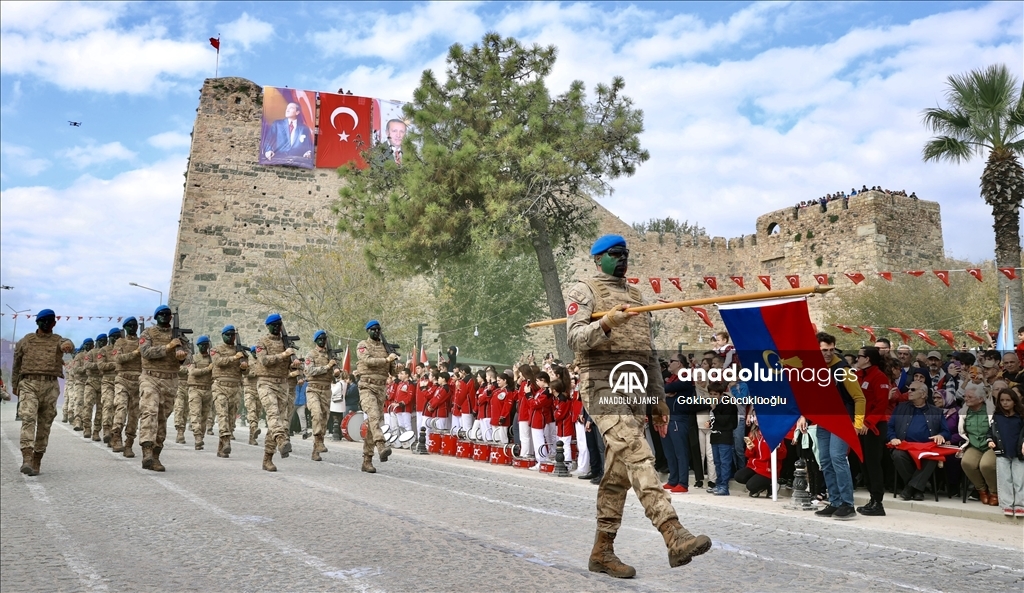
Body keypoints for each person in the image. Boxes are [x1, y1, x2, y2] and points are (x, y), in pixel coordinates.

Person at [567, 234, 711, 577]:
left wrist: (657, 400)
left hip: (634, 388)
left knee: (618, 476)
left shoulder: (636, 297)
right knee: (638, 453)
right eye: (615, 254)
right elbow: (573, 338)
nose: (622, 259)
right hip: (601, 384)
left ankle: (602, 552)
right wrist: (604, 324)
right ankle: (673, 532)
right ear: (598, 258)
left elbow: (647, 354)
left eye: (626, 254)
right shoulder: (583, 290)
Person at [809, 332, 866, 519]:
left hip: (843, 421)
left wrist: (857, 424)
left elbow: (859, 398)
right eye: (824, 350)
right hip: (824, 421)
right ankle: (834, 501)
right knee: (825, 460)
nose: (828, 353)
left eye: (831, 350)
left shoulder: (843, 369)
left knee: (837, 458)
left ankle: (847, 503)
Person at [12, 309, 74, 475]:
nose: (46, 324)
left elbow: (67, 343)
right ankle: (26, 456)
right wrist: (14, 384)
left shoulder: (58, 340)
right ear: (37, 322)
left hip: (50, 386)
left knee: (45, 424)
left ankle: (37, 458)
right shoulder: (26, 340)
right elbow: (17, 364)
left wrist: (68, 346)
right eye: (43, 320)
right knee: (28, 417)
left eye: (50, 321)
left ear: (54, 323)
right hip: (29, 383)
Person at [138, 305, 188, 471]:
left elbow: (188, 359)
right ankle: (146, 449)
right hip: (150, 377)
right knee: (149, 411)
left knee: (162, 418)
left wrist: (182, 356)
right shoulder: (148, 333)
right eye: (161, 314)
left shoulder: (180, 337)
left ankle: (156, 455)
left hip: (170, 380)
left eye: (167, 314)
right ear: (155, 316)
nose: (164, 317)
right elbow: (145, 352)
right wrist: (167, 348)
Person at [255, 313, 303, 472]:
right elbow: (264, 361)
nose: (277, 327)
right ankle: (282, 440)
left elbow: (291, 367)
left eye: (279, 324)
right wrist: (284, 354)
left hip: (283, 385)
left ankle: (267, 458)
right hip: (266, 383)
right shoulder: (262, 342)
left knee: (278, 422)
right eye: (273, 325)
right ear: (268, 326)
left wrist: (295, 364)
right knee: (273, 415)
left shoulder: (286, 344)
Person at [887, 382, 950, 500]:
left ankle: (910, 488)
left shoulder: (936, 412)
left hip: (927, 448)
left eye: (913, 389)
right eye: (908, 389)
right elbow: (890, 427)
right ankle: (918, 488)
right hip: (905, 446)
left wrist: (941, 435)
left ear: (923, 394)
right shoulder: (901, 407)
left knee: (932, 458)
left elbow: (946, 432)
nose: (909, 392)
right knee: (897, 455)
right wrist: (893, 438)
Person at [356, 320, 397, 473]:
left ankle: (367, 460)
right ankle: (381, 445)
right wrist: (386, 359)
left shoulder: (386, 348)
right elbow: (367, 360)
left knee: (373, 425)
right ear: (368, 331)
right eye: (373, 329)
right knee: (373, 416)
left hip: (381, 388)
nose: (376, 332)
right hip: (367, 386)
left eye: (378, 329)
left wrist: (395, 365)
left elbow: (393, 372)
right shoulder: (363, 345)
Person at [855, 346, 892, 511]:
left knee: (873, 464)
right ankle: (872, 499)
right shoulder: (859, 376)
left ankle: (878, 501)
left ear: (867, 359)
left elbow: (881, 405)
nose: (857, 359)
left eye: (859, 356)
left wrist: (867, 423)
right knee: (864, 465)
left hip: (873, 426)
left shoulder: (879, 377)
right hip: (860, 425)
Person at [211, 325, 247, 458]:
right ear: (223, 335)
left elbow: (247, 371)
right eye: (228, 335)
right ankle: (226, 441)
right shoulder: (217, 349)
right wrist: (234, 358)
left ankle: (222, 447)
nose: (231, 337)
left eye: (233, 335)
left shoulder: (241, 351)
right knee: (222, 415)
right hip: (220, 386)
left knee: (231, 418)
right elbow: (218, 362)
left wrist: (244, 367)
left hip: (235, 387)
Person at [958, 382, 997, 506]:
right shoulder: (964, 411)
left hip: (990, 444)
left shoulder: (991, 410)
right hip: (974, 444)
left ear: (980, 399)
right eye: (965, 397)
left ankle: (994, 492)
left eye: (970, 397)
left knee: (986, 465)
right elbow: (961, 430)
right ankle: (981, 490)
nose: (966, 399)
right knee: (966, 462)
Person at [988, 388, 1024, 516]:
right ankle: (1007, 504)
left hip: (1019, 453)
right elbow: (990, 431)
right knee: (1005, 479)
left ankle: (1020, 504)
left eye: (1008, 400)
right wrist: (990, 440)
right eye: (1002, 400)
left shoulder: (1021, 416)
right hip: (1002, 452)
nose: (1005, 403)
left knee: (1019, 479)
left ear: (1015, 401)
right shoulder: (997, 416)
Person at [305, 330, 339, 461]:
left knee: (324, 419)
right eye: (320, 338)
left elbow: (337, 372)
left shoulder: (331, 356)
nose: (322, 340)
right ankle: (318, 442)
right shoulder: (311, 354)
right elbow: (310, 371)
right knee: (317, 413)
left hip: (326, 390)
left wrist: (336, 371)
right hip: (313, 389)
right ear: (316, 340)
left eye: (324, 338)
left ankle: (316, 448)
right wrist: (327, 366)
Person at [111, 317, 143, 457]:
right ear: (125, 327)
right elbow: (118, 358)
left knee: (134, 414)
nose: (132, 327)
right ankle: (116, 435)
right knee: (121, 406)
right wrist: (135, 353)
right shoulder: (120, 342)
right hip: (122, 379)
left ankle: (129, 443)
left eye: (134, 325)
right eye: (129, 325)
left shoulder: (142, 342)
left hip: (138, 381)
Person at [734, 423, 785, 498]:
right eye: (755, 416)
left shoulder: (775, 433)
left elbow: (783, 455)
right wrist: (750, 449)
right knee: (738, 476)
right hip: (754, 466)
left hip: (767, 469)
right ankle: (759, 487)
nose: (756, 419)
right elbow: (748, 455)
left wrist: (778, 448)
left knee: (750, 486)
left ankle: (772, 485)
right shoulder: (753, 433)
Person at [187, 336, 214, 450]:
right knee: (195, 414)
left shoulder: (211, 359)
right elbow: (193, 372)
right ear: (198, 346)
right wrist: (207, 369)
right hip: (195, 389)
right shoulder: (193, 358)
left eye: (206, 344)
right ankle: (197, 437)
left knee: (204, 416)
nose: (204, 347)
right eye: (201, 344)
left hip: (208, 389)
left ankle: (201, 436)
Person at [97, 327, 120, 446]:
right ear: (109, 338)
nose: (116, 338)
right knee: (108, 404)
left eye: (118, 336)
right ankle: (106, 428)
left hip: (120, 381)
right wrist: (115, 364)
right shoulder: (103, 351)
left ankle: (115, 435)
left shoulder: (122, 348)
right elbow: (101, 366)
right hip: (107, 381)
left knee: (119, 409)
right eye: (114, 336)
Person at [82, 333, 106, 440]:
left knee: (101, 409)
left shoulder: (107, 352)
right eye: (101, 341)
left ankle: (96, 431)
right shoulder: (91, 353)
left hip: (103, 382)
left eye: (105, 340)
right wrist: (100, 365)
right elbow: (87, 365)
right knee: (88, 406)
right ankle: (87, 428)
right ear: (97, 342)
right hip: (91, 381)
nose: (103, 343)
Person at [244, 346, 264, 445]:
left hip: (260, 390)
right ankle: (254, 427)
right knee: (251, 411)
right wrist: (254, 373)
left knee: (257, 414)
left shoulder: (262, 362)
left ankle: (252, 437)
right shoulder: (248, 362)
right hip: (249, 390)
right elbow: (245, 374)